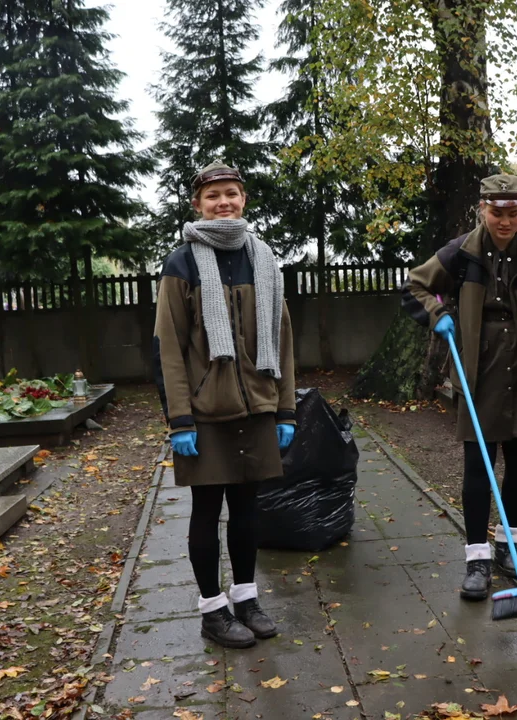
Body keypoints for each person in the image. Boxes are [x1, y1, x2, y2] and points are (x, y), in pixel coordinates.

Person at [402, 173, 517, 601]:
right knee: (479, 470)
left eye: (513, 213)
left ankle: (506, 548)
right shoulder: (461, 254)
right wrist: (437, 317)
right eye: (497, 213)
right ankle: (476, 558)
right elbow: (415, 285)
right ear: (483, 209)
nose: (505, 222)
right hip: (478, 375)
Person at [153, 161, 297, 648]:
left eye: (231, 193)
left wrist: (285, 409)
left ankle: (247, 598)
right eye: (213, 195)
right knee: (205, 509)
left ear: (244, 199)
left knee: (248, 509)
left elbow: (283, 337)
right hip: (205, 414)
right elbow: (168, 345)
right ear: (198, 204)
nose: (224, 202)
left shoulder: (263, 258)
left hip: (257, 407)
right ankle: (213, 611)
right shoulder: (183, 263)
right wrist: (179, 419)